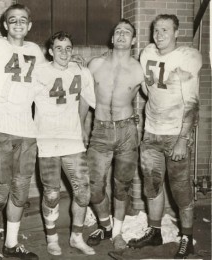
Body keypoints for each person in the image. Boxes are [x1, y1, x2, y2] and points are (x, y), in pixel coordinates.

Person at [127, 14, 202, 259]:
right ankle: (155, 231)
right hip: (151, 132)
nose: (159, 35)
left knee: (180, 189)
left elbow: (192, 103)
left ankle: (187, 238)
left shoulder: (187, 57)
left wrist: (183, 138)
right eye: (156, 30)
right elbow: (148, 90)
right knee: (152, 186)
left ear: (176, 32)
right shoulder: (147, 53)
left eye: (165, 30)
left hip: (174, 135)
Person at [0, 3, 46, 260]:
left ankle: (12, 243)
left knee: (20, 190)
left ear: (29, 26)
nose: (18, 24)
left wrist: (67, 64)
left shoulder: (34, 51)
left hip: (26, 131)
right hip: (0, 130)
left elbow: (42, 86)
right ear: (5, 25)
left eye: (23, 20)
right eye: (12, 20)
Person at [80, 19, 144, 249]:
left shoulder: (139, 68)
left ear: (133, 40)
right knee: (93, 186)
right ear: (111, 37)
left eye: (127, 32)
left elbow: (156, 95)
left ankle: (117, 234)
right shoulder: (95, 64)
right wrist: (82, 127)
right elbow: (85, 99)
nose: (121, 35)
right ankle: (105, 225)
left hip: (127, 131)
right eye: (118, 31)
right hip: (101, 130)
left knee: (122, 185)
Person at [32, 31, 96, 256]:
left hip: (72, 141)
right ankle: (51, 238)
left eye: (68, 48)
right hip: (47, 141)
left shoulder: (81, 71)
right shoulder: (38, 72)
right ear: (50, 51)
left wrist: (83, 126)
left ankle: (76, 237)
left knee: (83, 192)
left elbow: (89, 98)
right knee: (51, 194)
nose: (64, 52)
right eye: (58, 48)